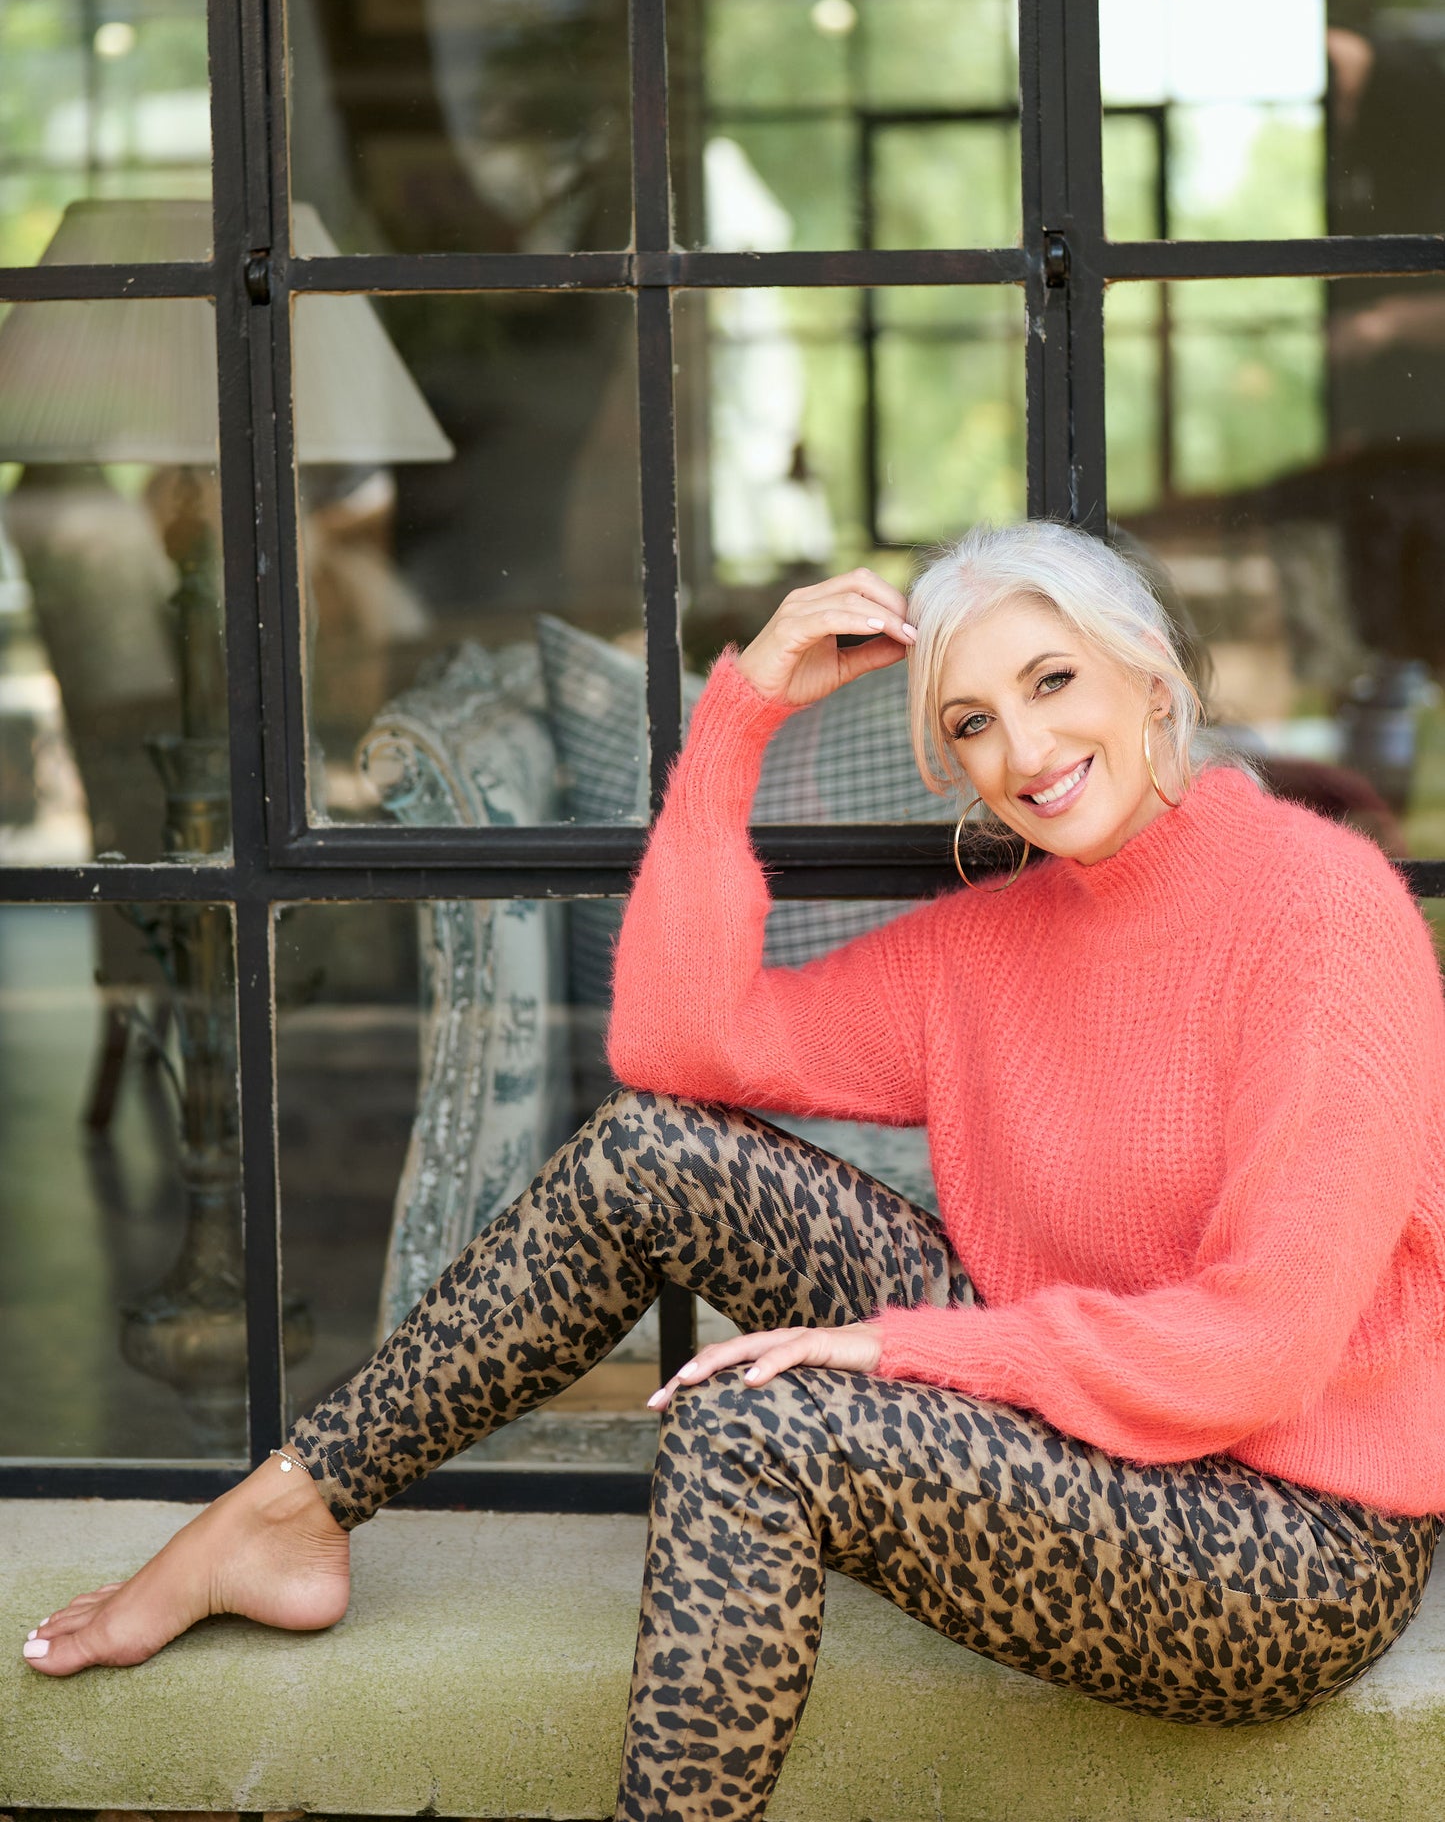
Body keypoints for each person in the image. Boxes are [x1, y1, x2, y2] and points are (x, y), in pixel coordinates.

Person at [20, 522, 1445, 1822]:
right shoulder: (991, 950)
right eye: (972, 721)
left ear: (1146, 676)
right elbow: (675, 1040)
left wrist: (893, 1350)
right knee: (651, 1157)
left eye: (1053, 680)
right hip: (1088, 1429)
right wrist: (738, 719)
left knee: (751, 1426)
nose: (1022, 745)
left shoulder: (1319, 912)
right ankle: (287, 1510)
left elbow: (1259, 1346)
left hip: (1287, 1537)